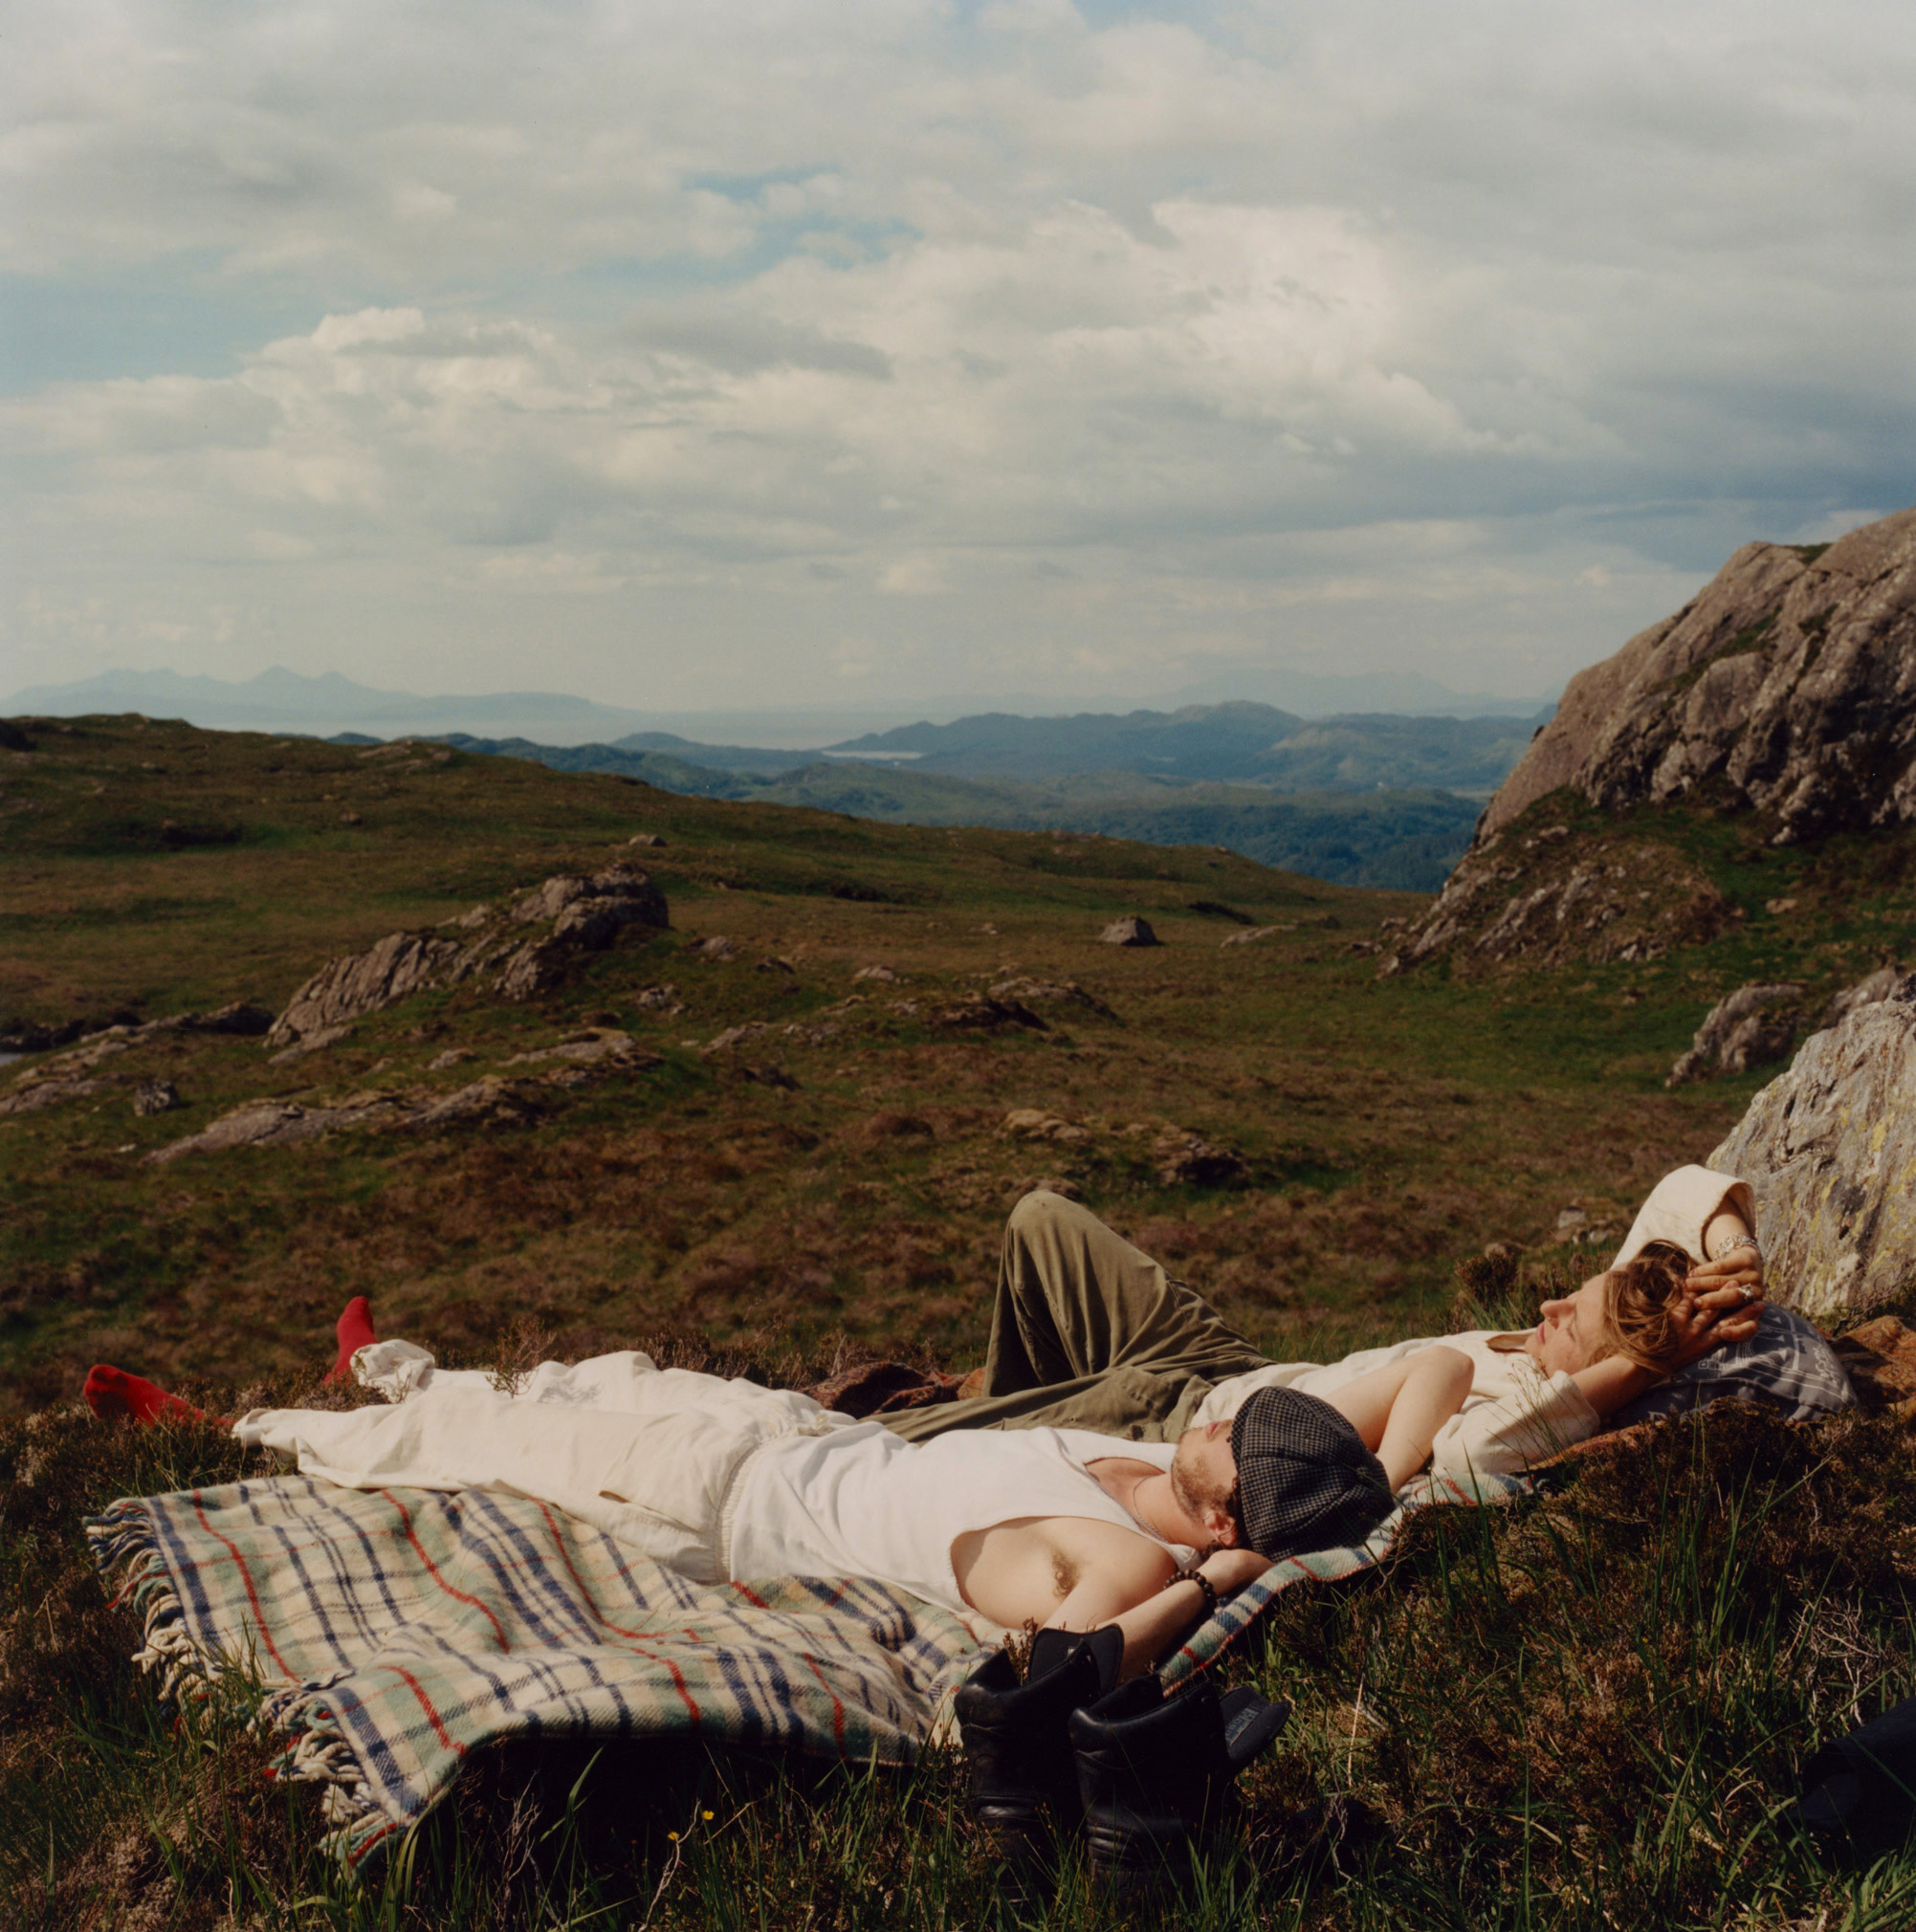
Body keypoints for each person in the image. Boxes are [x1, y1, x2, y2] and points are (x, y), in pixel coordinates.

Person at [881, 1164, 1850, 1475]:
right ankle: (1011, 1418)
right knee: (1040, 1219)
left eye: (1567, 1324)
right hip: (1229, 1363)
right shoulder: (1597, 1323)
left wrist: (1636, 1372)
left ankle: (988, 1453)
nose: (1550, 1304)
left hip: (1177, 1421)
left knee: (871, 1444)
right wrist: (1732, 1254)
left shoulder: (1521, 1417)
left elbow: (1477, 1458)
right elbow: (1682, 1185)